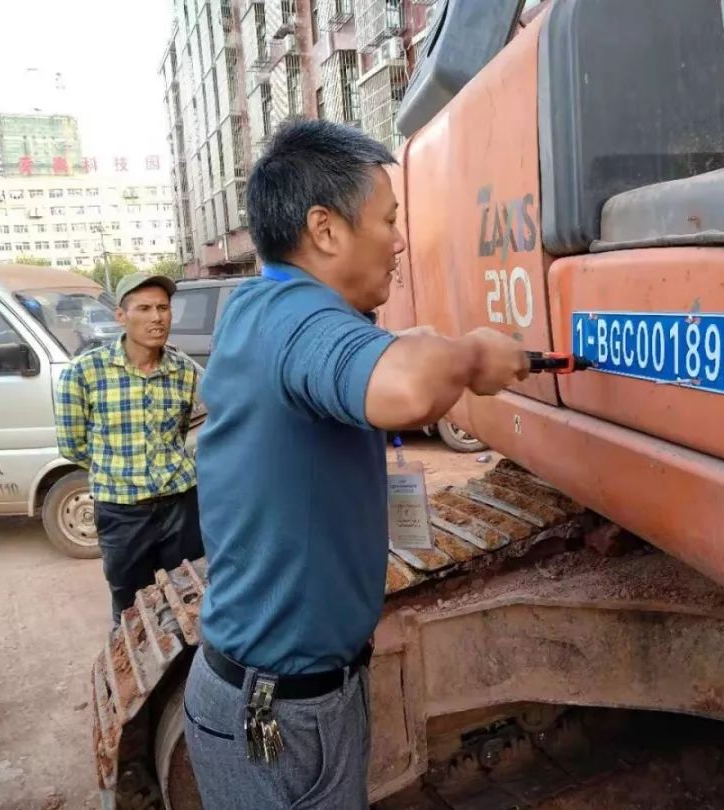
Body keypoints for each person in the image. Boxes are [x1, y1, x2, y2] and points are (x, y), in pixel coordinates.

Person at [183, 118, 530, 808]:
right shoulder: (292, 318)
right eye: (388, 219)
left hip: (317, 692)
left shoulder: (271, 311)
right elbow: (405, 389)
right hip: (273, 717)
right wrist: (470, 353)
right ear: (326, 229)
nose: (399, 240)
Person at [54, 271, 203, 625]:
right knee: (130, 606)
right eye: (145, 308)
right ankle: (135, 676)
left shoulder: (184, 371)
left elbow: (180, 432)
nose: (157, 317)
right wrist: (120, 470)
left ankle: (185, 676)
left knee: (189, 595)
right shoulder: (84, 373)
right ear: (121, 316)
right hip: (121, 512)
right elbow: (73, 445)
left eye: (164, 308)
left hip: (180, 505)